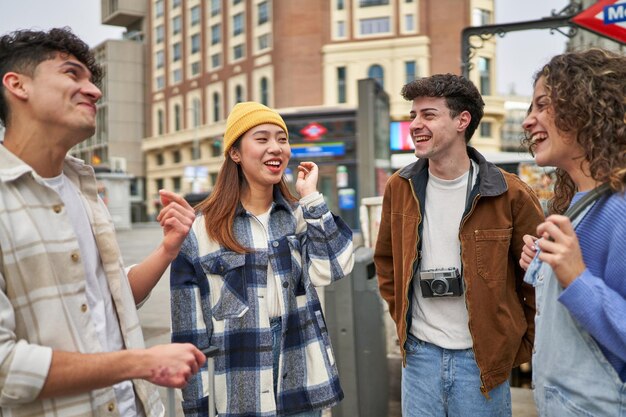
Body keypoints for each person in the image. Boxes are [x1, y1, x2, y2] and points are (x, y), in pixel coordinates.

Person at [0, 28, 206, 416]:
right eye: (71, 74)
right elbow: (5, 368)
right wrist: (140, 362)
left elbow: (107, 298)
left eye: (92, 81)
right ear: (17, 84)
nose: (93, 91)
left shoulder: (82, 190)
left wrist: (167, 249)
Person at [374, 74, 544, 417]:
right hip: (419, 357)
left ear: (461, 121)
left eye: (428, 115)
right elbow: (386, 263)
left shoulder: (511, 194)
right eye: (413, 116)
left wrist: (512, 344)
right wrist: (407, 328)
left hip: (481, 362)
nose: (416, 125)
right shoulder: (399, 187)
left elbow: (538, 280)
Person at [170, 101, 354, 417]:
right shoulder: (199, 231)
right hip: (238, 385)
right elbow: (189, 333)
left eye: (282, 139)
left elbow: (333, 267)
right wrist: (195, 409)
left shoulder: (299, 216)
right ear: (235, 153)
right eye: (262, 138)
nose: (276, 148)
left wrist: (311, 197)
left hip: (301, 381)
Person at [519, 48, 626, 416]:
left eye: (542, 104)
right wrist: (544, 268)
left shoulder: (620, 208)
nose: (527, 121)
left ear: (586, 105)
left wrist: (574, 275)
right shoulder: (577, 201)